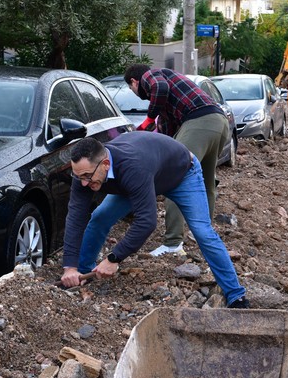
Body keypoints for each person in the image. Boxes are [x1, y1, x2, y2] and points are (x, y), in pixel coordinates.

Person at [60, 132, 250, 308]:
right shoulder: (85, 172)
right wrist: (70, 267)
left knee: (203, 232)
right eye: (78, 176)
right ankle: (83, 274)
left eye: (87, 177)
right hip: (141, 180)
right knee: (100, 218)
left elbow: (147, 221)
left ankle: (235, 294)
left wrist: (113, 258)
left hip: (182, 175)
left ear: (106, 164)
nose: (83, 182)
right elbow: (75, 218)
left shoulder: (132, 166)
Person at [123, 64, 231, 257]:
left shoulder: (150, 75)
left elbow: (160, 87)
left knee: (175, 179)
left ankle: (173, 243)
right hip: (219, 122)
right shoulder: (167, 106)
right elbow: (168, 139)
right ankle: (205, 237)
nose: (134, 92)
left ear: (134, 81)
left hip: (199, 121)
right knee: (206, 182)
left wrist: (148, 119)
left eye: (131, 89)